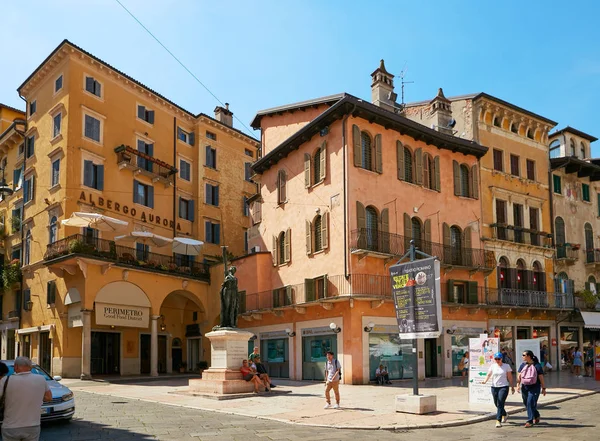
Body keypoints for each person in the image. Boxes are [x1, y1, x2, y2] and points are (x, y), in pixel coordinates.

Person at [0, 356, 52, 441]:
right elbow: (49, 398)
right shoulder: (41, 379)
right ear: (30, 367)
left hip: (11, 426)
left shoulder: (5, 380)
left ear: (16, 367)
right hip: (33, 425)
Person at [482, 352, 515, 428]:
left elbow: (510, 377)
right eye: (496, 359)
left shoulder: (506, 366)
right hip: (494, 387)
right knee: (496, 403)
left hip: (503, 386)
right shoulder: (493, 366)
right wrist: (485, 381)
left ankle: (498, 420)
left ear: (501, 359)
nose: (497, 360)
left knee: (500, 403)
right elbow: (489, 374)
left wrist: (512, 387)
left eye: (498, 359)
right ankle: (505, 414)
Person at [516, 350, 546, 428]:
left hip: (535, 387)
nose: (522, 356)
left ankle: (530, 421)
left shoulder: (537, 365)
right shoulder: (522, 365)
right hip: (525, 387)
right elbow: (519, 375)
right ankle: (536, 415)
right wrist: (518, 385)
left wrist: (543, 388)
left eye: (523, 355)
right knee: (526, 402)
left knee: (530, 402)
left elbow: (541, 377)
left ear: (529, 356)